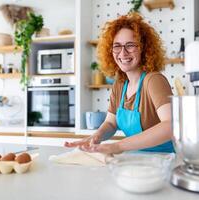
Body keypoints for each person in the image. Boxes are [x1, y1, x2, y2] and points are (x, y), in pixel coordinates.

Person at [65, 12, 174, 154]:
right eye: (117, 46)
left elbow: (170, 125)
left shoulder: (153, 80)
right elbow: (111, 123)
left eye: (130, 45)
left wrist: (117, 146)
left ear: (144, 48)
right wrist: (95, 137)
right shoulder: (120, 84)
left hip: (162, 162)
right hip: (136, 160)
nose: (122, 53)